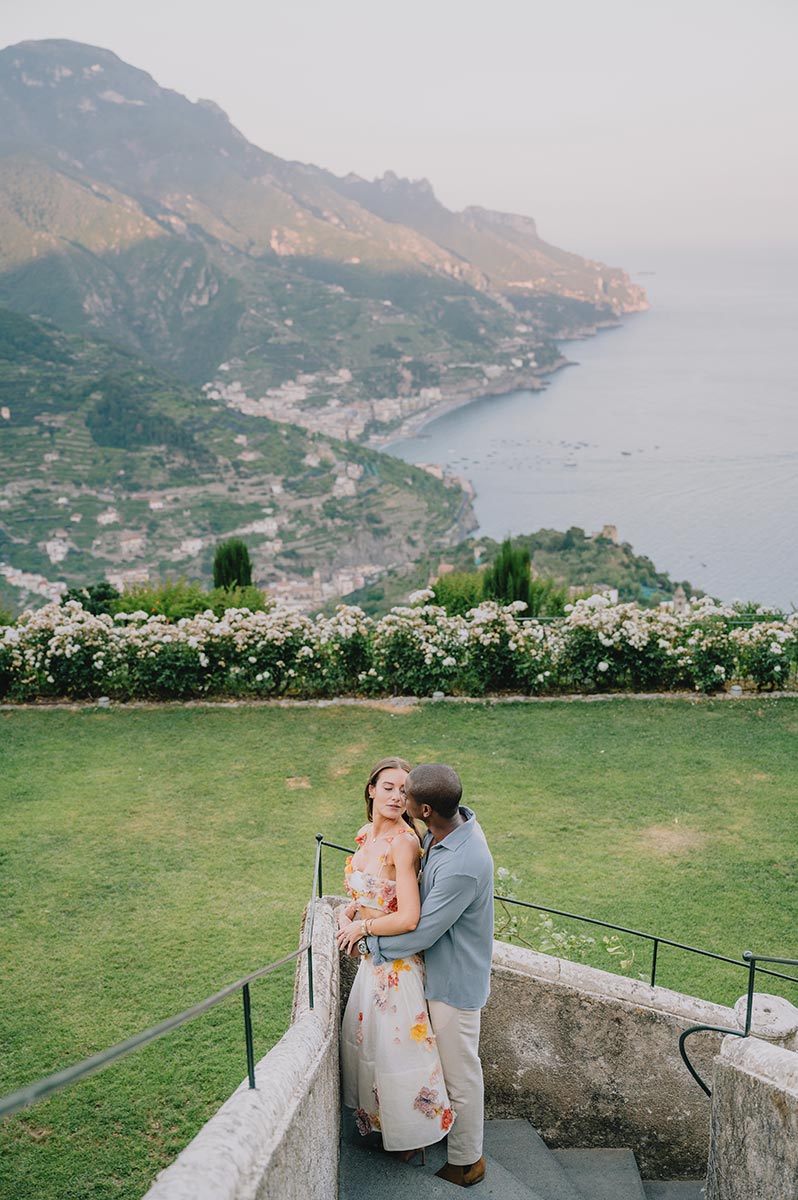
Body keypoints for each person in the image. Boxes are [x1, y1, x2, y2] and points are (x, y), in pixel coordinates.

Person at [361, 763, 494, 1188]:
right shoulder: (448, 828)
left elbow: (424, 928)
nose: (400, 800)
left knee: (460, 1075)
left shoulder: (463, 863)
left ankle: (467, 1161)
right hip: (436, 972)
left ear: (424, 808)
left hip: (453, 983)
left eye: (408, 795)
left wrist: (369, 942)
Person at [337, 757, 455, 1160]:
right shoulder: (365, 835)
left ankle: (414, 1139)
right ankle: (387, 1126)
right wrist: (349, 912)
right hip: (372, 967)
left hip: (397, 967)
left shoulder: (404, 844)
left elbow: (407, 916)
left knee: (402, 1053)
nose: (395, 796)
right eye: (388, 787)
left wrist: (363, 929)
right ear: (371, 789)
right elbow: (367, 895)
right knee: (373, 1049)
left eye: (404, 791)